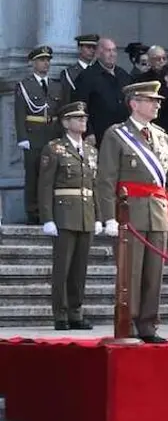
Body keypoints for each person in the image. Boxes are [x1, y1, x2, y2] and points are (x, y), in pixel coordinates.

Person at [93, 81, 168, 343]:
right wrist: (108, 216)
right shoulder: (117, 135)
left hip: (158, 211)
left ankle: (148, 325)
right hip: (129, 213)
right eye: (151, 100)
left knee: (154, 273)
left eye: (157, 101)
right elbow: (106, 179)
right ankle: (128, 323)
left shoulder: (162, 136)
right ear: (134, 103)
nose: (157, 105)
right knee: (130, 273)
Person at [37, 101, 101, 330]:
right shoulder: (54, 149)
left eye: (84, 118)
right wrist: (47, 218)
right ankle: (61, 314)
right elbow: (45, 185)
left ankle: (76, 312)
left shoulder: (91, 151)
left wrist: (99, 216)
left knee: (80, 269)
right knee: (62, 267)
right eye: (77, 118)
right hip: (64, 213)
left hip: (86, 213)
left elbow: (95, 186)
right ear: (66, 123)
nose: (83, 121)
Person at [16, 45, 62, 224]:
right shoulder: (25, 86)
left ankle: (50, 212)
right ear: (33, 63)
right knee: (33, 175)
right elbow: (19, 113)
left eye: (48, 60)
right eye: (42, 60)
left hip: (52, 134)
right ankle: (33, 213)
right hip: (33, 135)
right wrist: (22, 137)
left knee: (52, 174)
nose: (46, 63)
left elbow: (61, 112)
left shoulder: (56, 86)